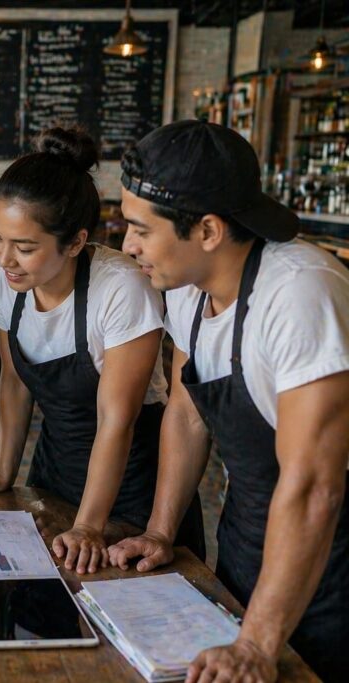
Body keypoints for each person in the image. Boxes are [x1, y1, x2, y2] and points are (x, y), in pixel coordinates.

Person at [108, 120, 349, 682]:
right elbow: (189, 415)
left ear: (209, 231)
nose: (127, 245)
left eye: (141, 229)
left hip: (332, 560)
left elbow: (317, 486)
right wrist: (161, 531)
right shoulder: (189, 291)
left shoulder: (301, 295)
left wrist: (258, 644)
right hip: (246, 538)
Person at [0, 126, 204, 574]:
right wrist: (4, 473)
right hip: (55, 469)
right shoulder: (5, 278)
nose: (4, 257)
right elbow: (15, 383)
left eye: (25, 247)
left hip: (132, 479)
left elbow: (118, 418)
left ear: (75, 242)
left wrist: (90, 525)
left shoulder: (120, 288)